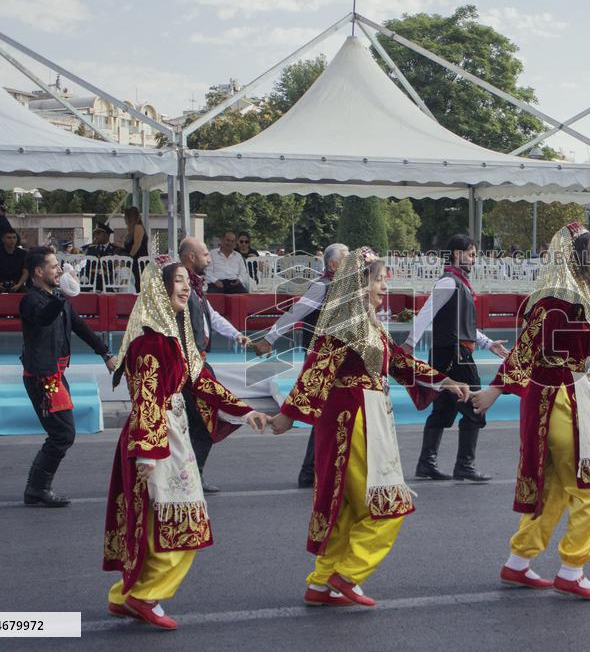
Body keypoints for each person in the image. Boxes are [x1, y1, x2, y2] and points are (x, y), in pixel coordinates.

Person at [270, 248, 471, 607]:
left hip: (365, 417)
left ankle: (319, 584)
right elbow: (317, 369)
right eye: (378, 278)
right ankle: (347, 574)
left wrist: (443, 381)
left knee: (348, 508)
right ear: (358, 284)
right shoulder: (347, 324)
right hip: (355, 421)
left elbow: (398, 361)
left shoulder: (367, 323)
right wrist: (287, 415)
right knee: (389, 505)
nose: (384, 285)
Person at [471, 223, 590, 600]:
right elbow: (529, 348)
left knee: (554, 487)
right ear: (573, 258)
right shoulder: (561, 300)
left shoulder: (561, 296)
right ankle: (572, 568)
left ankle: (518, 562)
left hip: (553, 400)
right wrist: (495, 387)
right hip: (564, 400)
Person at [102, 259, 271, 630]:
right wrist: (148, 453)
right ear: (159, 290)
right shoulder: (151, 343)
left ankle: (126, 595)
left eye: (186, 282)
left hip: (170, 435)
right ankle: (145, 595)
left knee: (159, 518)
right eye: (177, 281)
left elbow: (202, 382)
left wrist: (245, 412)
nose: (185, 288)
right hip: (158, 438)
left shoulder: (173, 339)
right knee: (179, 519)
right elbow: (147, 399)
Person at [404, 234, 509, 482]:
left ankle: (426, 464)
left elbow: (464, 324)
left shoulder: (457, 282)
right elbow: (425, 314)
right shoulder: (449, 282)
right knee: (476, 405)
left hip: (449, 352)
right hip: (455, 354)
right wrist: (409, 344)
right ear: (457, 254)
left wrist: (487, 343)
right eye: (471, 254)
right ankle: (465, 465)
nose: (474, 259)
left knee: (444, 407)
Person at [20, 247, 117, 507]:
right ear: (38, 272)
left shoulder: (57, 299)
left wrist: (105, 353)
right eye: (53, 266)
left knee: (62, 433)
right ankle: (37, 488)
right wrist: (61, 297)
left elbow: (81, 327)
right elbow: (42, 318)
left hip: (55, 374)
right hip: (44, 376)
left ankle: (36, 488)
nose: (59, 270)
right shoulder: (31, 301)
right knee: (62, 433)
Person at [252, 243, 349, 489]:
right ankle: (311, 471)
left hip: (341, 357)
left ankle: (315, 471)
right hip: (321, 358)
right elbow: (295, 314)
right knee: (325, 412)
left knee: (329, 413)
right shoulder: (321, 287)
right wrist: (269, 339)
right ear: (334, 265)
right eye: (346, 257)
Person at [177, 237, 253, 495]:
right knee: (202, 423)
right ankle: (189, 478)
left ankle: (190, 476)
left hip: (199, 363)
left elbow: (212, 316)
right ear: (191, 258)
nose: (210, 260)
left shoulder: (195, 286)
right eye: (205, 256)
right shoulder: (181, 287)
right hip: (189, 366)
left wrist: (236, 334)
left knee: (202, 422)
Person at [0, 228, 27, 293]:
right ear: (3, 239)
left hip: (17, 284)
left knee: (28, 295)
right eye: (9, 238)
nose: (12, 240)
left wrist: (19, 285)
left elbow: (25, 272)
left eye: (14, 237)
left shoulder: (23, 254)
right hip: (0, 284)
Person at [83, 223, 120, 291]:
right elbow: (86, 266)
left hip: (108, 281)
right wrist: (84, 276)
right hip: (92, 280)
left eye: (98, 234)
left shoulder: (115, 249)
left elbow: (116, 269)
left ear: (106, 235)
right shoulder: (91, 249)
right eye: (95, 234)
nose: (95, 236)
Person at [122, 206, 148, 292]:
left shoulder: (138, 227)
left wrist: (129, 257)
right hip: (133, 261)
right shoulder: (131, 230)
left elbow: (137, 244)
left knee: (137, 284)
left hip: (138, 262)